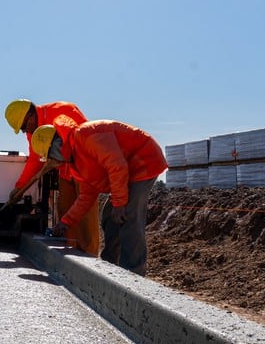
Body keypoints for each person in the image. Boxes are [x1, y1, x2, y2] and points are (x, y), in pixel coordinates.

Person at [30, 117, 168, 276]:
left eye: (51, 157)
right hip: (126, 171)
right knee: (109, 216)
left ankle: (134, 274)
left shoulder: (86, 135)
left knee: (128, 216)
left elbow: (116, 165)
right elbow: (86, 196)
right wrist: (65, 222)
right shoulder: (77, 162)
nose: (54, 162)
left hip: (144, 160)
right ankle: (110, 267)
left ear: (57, 146)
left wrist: (119, 203)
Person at [4, 99, 100, 256]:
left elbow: (81, 140)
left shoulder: (63, 110)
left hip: (84, 168)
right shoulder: (32, 131)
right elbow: (35, 159)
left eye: (23, 127)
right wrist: (20, 187)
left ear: (30, 116)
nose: (23, 131)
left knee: (86, 216)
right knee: (65, 212)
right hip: (65, 172)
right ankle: (69, 255)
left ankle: (90, 257)